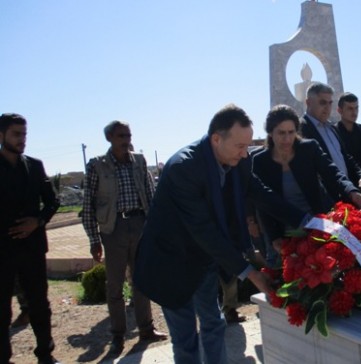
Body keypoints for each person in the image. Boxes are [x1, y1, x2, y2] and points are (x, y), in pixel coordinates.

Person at [133, 104, 309, 363]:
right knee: (186, 341)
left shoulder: (238, 161)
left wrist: (308, 221)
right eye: (240, 146)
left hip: (204, 260)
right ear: (217, 139)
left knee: (214, 324)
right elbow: (203, 230)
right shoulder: (184, 168)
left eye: (247, 145)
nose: (245, 153)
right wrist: (250, 273)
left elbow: (262, 195)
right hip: (170, 263)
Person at [81, 120, 167, 354]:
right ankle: (118, 334)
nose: (126, 140)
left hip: (140, 224)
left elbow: (151, 196)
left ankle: (146, 329)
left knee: (141, 280)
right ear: (109, 138)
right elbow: (88, 204)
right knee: (115, 285)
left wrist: (155, 229)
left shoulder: (138, 161)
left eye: (128, 135)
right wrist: (93, 239)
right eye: (121, 136)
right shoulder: (98, 166)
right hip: (113, 229)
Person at [252, 104, 361, 265]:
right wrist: (273, 236)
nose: (287, 139)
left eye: (291, 132)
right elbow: (263, 203)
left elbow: (333, 173)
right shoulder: (260, 162)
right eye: (281, 133)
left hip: (318, 225)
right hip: (284, 233)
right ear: (270, 133)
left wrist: (352, 191)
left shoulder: (309, 148)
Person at [0, 113, 61, 364]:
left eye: (24, 134)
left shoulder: (34, 165)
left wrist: (37, 221)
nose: (22, 139)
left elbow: (52, 201)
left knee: (39, 304)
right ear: (2, 135)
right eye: (16, 134)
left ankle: (45, 353)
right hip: (2, 250)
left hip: (33, 249)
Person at [300, 82, 361, 199]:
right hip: (324, 200)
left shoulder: (332, 128)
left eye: (330, 103)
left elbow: (346, 157)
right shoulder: (301, 129)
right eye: (322, 103)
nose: (327, 108)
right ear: (308, 103)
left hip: (347, 194)